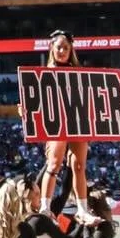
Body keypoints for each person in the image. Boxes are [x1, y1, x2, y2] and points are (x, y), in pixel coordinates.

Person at [38, 30, 90, 208]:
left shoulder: (79, 72)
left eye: (66, 48)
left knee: (79, 166)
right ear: (51, 48)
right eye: (59, 47)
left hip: (77, 122)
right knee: (53, 164)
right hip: (57, 122)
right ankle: (45, 207)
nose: (62, 51)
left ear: (71, 50)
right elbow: (37, 102)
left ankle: (82, 209)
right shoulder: (43, 74)